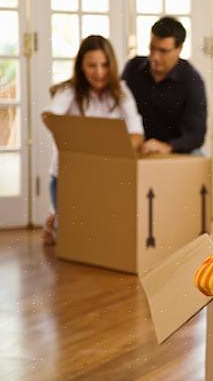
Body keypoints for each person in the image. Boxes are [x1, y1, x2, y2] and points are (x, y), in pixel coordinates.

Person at [41, 35, 144, 246]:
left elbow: (136, 135)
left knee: (99, 235)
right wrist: (77, 141)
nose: (99, 72)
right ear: (81, 66)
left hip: (106, 177)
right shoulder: (69, 91)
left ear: (112, 65)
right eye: (91, 65)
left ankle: (56, 217)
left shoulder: (121, 92)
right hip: (68, 177)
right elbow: (49, 116)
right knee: (73, 241)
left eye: (105, 65)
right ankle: (55, 219)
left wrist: (108, 153)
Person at [122, 16, 207, 155]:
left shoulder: (193, 81)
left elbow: (196, 136)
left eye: (163, 51)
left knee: (198, 155)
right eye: (152, 48)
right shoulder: (133, 68)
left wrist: (168, 146)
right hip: (136, 147)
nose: (155, 57)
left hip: (173, 151)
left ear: (179, 48)